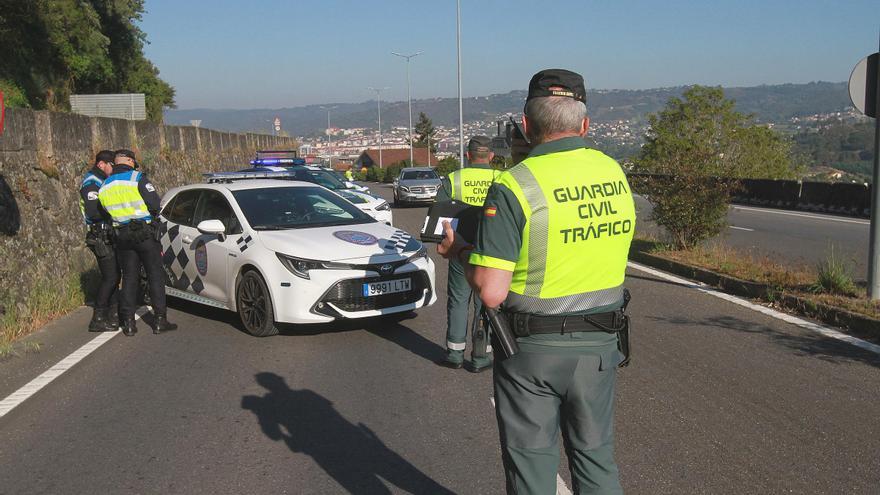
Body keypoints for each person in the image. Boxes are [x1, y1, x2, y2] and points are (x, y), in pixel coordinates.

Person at [438, 69, 635, 494]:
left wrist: (458, 251)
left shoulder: (515, 186)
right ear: (585, 124)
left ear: (525, 126)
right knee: (597, 458)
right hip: (602, 345)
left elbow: (491, 291)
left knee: (531, 467)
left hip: (532, 353)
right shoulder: (614, 173)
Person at [435, 136, 499, 372]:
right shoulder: (500, 178)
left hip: (460, 249)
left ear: (468, 155)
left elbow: (439, 214)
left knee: (459, 301)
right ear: (491, 156)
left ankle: (454, 353)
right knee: (486, 303)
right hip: (491, 250)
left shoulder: (454, 179)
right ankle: (481, 357)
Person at [98, 149, 177, 336]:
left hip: (122, 236)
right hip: (144, 234)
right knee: (155, 275)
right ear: (130, 161)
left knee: (129, 278)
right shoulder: (137, 178)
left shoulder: (105, 185)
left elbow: (103, 212)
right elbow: (155, 205)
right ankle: (159, 320)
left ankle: (129, 324)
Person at [80, 150, 121, 332]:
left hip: (107, 234)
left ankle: (113, 314)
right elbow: (93, 212)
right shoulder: (91, 183)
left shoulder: (103, 182)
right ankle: (97, 317)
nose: (113, 169)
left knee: (114, 276)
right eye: (111, 165)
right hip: (99, 236)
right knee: (110, 277)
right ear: (101, 164)